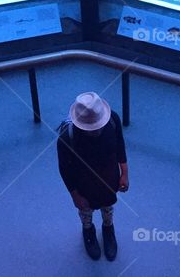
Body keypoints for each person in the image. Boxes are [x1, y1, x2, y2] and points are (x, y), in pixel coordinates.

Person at [57, 92, 129, 262]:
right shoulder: (67, 138)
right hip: (83, 185)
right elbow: (64, 169)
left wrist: (124, 173)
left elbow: (120, 145)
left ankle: (108, 228)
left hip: (109, 179)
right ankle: (88, 229)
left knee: (108, 206)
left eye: (98, 124)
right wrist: (75, 195)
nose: (96, 129)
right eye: (91, 127)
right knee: (85, 210)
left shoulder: (113, 120)